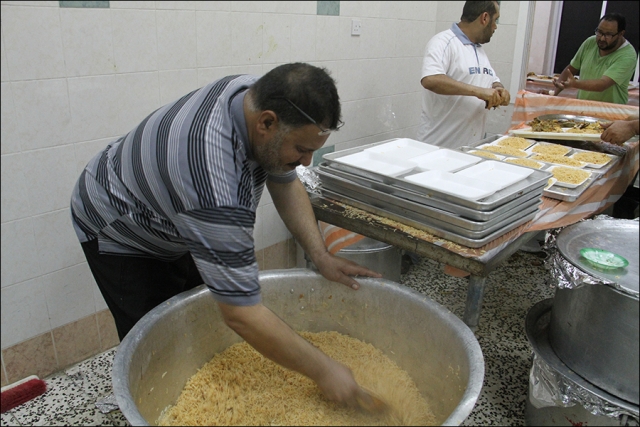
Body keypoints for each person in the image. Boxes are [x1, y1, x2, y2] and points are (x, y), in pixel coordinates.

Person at [70, 62, 382, 407]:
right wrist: (326, 372)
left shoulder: (256, 96)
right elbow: (240, 313)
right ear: (266, 123)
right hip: (119, 226)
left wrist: (320, 255)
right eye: (301, 149)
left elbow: (284, 179)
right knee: (155, 343)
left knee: (195, 319)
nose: (307, 161)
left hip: (173, 213)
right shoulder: (210, 179)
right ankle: (144, 403)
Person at [417, 1, 510, 148]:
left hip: (469, 148)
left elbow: (492, 80)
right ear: (485, 18)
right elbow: (430, 79)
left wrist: (499, 89)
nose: (495, 27)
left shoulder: (478, 49)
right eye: (495, 20)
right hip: (438, 147)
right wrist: (478, 91)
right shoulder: (443, 42)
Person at [553, 13, 636, 105]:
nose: (602, 38)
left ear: (621, 34)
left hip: (610, 110)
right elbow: (571, 69)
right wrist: (553, 93)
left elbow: (603, 84)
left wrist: (575, 83)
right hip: (582, 106)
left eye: (608, 34)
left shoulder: (627, 55)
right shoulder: (590, 42)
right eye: (599, 32)